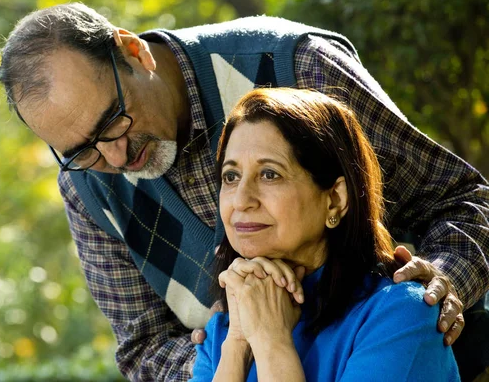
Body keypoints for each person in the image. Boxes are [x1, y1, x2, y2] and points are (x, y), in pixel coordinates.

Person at [0, 3, 489, 381]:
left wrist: (439, 287)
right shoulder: (86, 185)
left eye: (114, 122)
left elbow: (464, 199)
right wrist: (238, 342)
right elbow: (144, 347)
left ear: (132, 52)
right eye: (82, 150)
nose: (116, 159)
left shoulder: (298, 66)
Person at [190, 87, 460, 381]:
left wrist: (271, 342)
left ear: (335, 199)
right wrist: (237, 347)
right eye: (231, 176)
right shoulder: (223, 330)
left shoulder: (401, 316)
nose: (241, 200)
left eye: (269, 174)